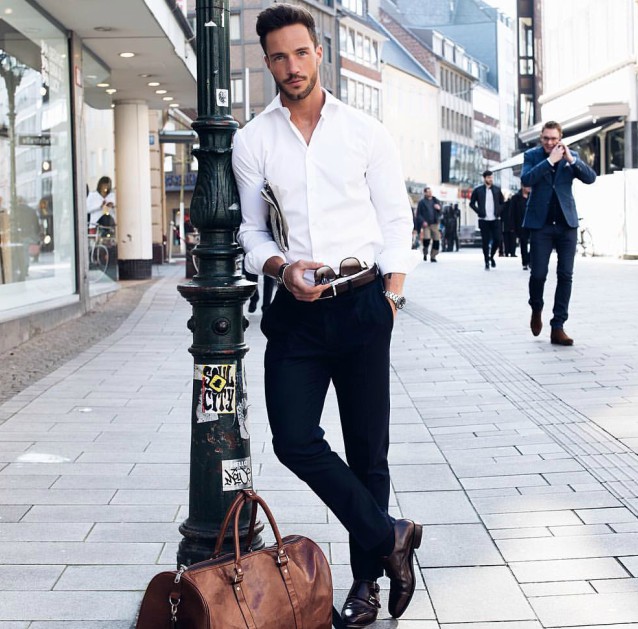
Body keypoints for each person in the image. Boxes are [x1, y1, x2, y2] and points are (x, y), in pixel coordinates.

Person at [231, 5, 422, 627]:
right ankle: (391, 534)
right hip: (297, 312)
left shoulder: (365, 131)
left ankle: (365, 586)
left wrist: (391, 297)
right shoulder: (253, 139)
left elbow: (397, 221)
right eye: (279, 57)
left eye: (301, 53)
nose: (292, 66)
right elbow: (251, 233)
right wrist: (281, 268)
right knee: (293, 439)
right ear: (267, 63)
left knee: (369, 451)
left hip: (365, 303)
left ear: (320, 53)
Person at [521, 121, 596, 346]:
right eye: (546, 138)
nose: (550, 142)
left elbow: (590, 178)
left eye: (554, 139)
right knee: (538, 275)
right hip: (541, 225)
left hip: (566, 224)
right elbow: (526, 180)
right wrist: (549, 161)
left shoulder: (570, 155)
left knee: (565, 275)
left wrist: (571, 160)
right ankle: (536, 308)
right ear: (541, 138)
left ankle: (558, 326)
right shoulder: (532, 156)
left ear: (561, 138)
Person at [470, 170, 504, 270]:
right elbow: (471, 203)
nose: (491, 179)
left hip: (495, 218)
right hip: (483, 219)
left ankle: (491, 256)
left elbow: (502, 203)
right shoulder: (478, 190)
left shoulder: (497, 190)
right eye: (489, 178)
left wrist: (499, 211)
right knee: (485, 241)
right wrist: (479, 212)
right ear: (484, 178)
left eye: (492, 177)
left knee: (498, 239)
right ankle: (486, 262)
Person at [507, 187, 531, 270]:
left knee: (535, 243)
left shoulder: (533, 196)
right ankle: (525, 262)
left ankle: (530, 259)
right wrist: (512, 226)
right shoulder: (516, 198)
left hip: (533, 223)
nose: (529, 188)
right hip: (521, 224)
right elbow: (512, 212)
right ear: (522, 186)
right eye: (527, 186)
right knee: (523, 243)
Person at [415, 186, 442, 262]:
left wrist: (439, 208)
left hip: (435, 224)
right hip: (426, 224)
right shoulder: (422, 202)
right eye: (428, 192)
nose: (430, 193)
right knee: (426, 239)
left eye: (431, 191)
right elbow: (418, 214)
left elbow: (441, 211)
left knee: (436, 240)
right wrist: (423, 221)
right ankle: (425, 252)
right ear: (425, 193)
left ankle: (433, 256)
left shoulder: (436, 201)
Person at [500, 193, 518, 257]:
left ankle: (507, 252)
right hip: (513, 224)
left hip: (505, 224)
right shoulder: (515, 204)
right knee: (513, 239)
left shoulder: (504, 205)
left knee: (506, 239)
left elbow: (501, 214)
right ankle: (512, 252)